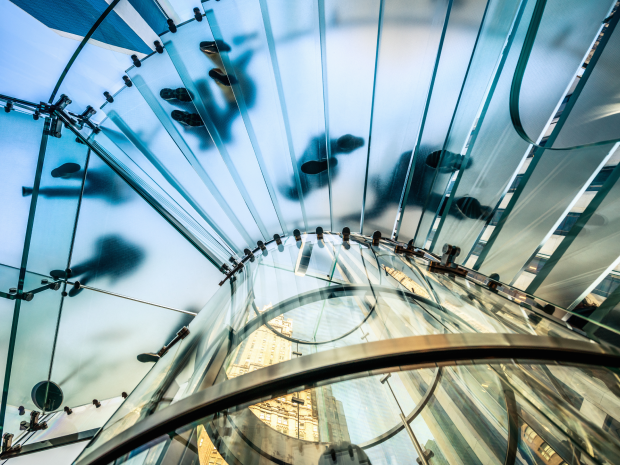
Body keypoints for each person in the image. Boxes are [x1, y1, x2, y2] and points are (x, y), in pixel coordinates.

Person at [281, 134, 364, 200]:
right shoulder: (305, 175)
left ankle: (347, 145)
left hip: (324, 165)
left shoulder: (312, 182)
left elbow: (306, 154)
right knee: (329, 147)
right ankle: (347, 145)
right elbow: (307, 154)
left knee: (329, 148)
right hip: (320, 161)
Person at [22, 162, 128, 204]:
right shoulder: (129, 192)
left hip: (104, 184)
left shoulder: (128, 191)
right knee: (71, 192)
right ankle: (34, 191)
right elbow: (116, 200)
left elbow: (116, 200)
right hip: (104, 185)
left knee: (73, 190)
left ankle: (67, 174)